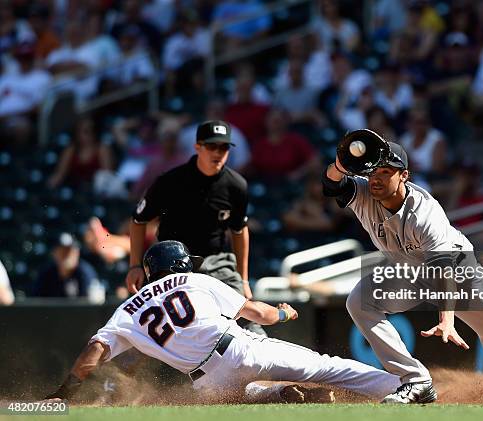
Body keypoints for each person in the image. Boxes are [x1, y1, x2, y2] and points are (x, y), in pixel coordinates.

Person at [322, 130, 483, 404]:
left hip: (458, 270)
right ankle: (415, 380)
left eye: (386, 172)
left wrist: (446, 319)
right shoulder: (365, 192)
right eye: (373, 172)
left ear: (404, 175)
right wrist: (340, 164)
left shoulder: (425, 213)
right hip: (408, 272)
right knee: (359, 302)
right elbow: (331, 185)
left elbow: (444, 270)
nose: (376, 179)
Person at [44, 241, 402, 403]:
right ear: (180, 265)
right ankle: (399, 388)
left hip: (207, 383)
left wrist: (65, 393)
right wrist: (283, 313)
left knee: (243, 395)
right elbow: (260, 315)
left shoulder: (129, 309)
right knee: (327, 368)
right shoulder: (195, 280)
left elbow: (95, 351)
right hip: (241, 351)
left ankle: (277, 394)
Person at [126, 120, 262, 334]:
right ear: (198, 146)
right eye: (212, 146)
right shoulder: (170, 181)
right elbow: (138, 220)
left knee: (248, 319)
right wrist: (135, 265)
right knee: (148, 326)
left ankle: (262, 362)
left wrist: (243, 278)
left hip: (214, 261)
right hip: (170, 265)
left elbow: (239, 230)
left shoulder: (236, 185)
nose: (218, 152)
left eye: (224, 147)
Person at [34, 233, 101, 298]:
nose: (66, 256)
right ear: (54, 253)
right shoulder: (47, 273)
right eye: (62, 251)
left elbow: (91, 305)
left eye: (69, 251)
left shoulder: (85, 273)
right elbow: (37, 302)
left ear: (77, 253)